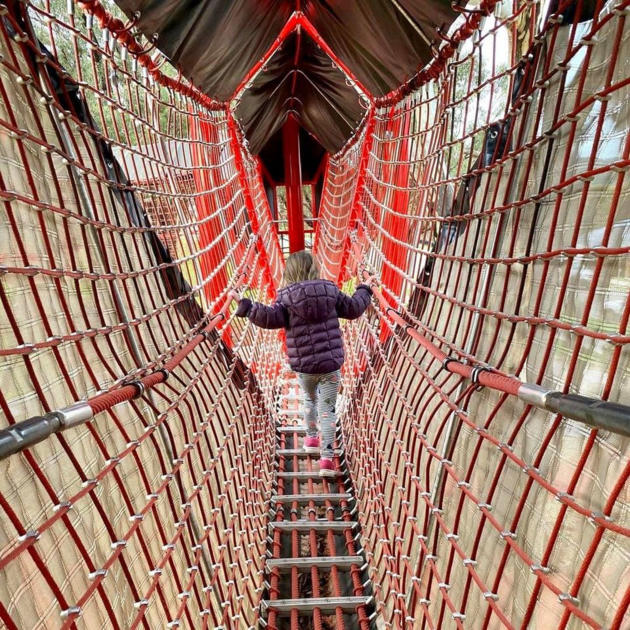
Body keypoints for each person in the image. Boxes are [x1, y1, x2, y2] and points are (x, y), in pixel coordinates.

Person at [229, 250, 376, 477]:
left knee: (309, 399)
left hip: (304, 367)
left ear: (289, 273)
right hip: (330, 365)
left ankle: (310, 439)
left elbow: (269, 318)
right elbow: (355, 309)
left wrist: (247, 306)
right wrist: (365, 288)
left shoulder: (286, 298)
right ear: (314, 269)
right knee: (327, 410)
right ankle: (327, 460)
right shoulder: (330, 290)